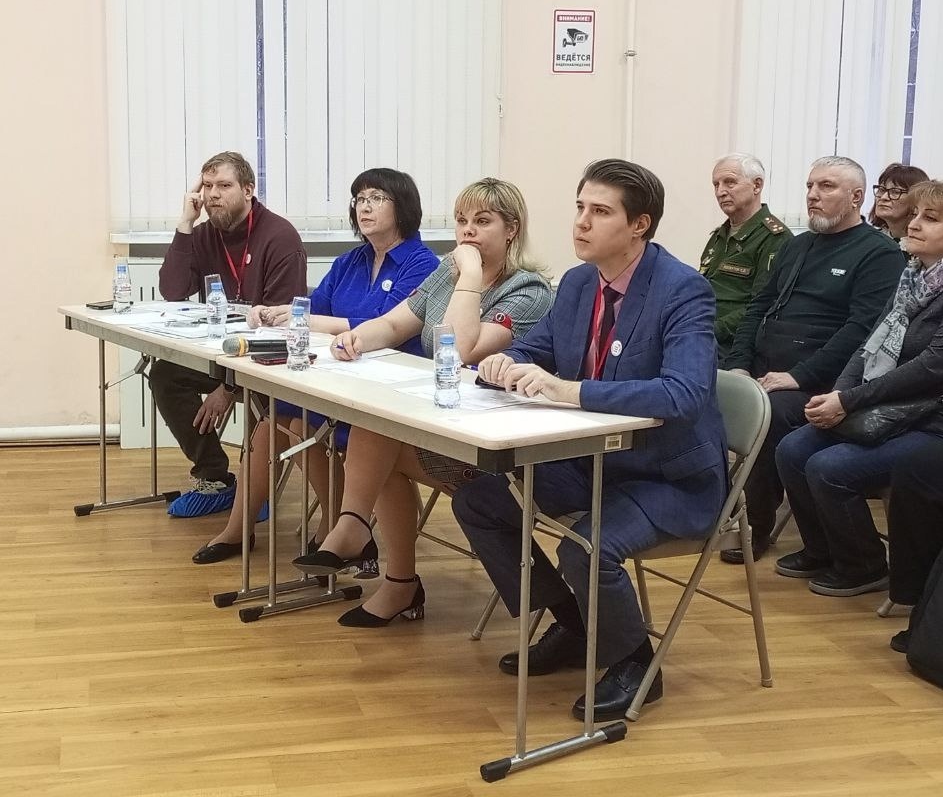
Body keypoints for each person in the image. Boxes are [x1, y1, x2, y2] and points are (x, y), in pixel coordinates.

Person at [445, 158, 726, 722]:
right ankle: (575, 624)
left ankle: (637, 664)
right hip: (593, 460)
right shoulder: (577, 283)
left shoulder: (683, 290)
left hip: (667, 476)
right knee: (479, 501)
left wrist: (571, 392)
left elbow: (684, 393)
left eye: (600, 211)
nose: (581, 222)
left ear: (639, 225)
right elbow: (541, 350)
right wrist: (507, 362)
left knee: (585, 547)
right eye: (580, 207)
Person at [291, 178, 554, 622]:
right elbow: (395, 324)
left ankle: (371, 549)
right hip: (444, 426)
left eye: (482, 221)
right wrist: (357, 338)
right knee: (378, 425)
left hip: (489, 451)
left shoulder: (529, 292)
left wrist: (469, 277)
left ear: (512, 229)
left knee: (381, 439)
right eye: (461, 220)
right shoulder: (445, 275)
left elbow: (460, 348)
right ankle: (383, 563)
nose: (467, 231)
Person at [191, 168, 439, 563]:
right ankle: (239, 529)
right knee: (274, 419)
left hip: (387, 394)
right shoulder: (350, 261)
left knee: (300, 421)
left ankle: (337, 526)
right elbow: (312, 309)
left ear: (403, 207)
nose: (364, 207)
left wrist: (303, 318)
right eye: (359, 199)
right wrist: (278, 313)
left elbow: (381, 325)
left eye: (376, 198)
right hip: (340, 376)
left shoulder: (422, 264)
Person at [772, 180, 943, 597]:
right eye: (915, 214)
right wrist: (838, 395)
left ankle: (863, 565)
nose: (913, 224)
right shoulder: (914, 276)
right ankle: (824, 550)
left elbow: (934, 365)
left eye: (930, 218)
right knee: (792, 449)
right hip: (889, 406)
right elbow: (871, 342)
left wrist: (849, 400)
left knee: (829, 468)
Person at [721, 156, 904, 562]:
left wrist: (799, 375)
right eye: (809, 186)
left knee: (768, 414)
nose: (813, 195)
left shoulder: (879, 253)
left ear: (856, 197)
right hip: (766, 368)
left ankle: (754, 528)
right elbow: (758, 306)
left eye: (826, 186)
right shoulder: (797, 245)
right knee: (706, 394)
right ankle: (706, 512)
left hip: (822, 382)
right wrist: (738, 364)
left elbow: (861, 332)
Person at [154, 151, 308, 518]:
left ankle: (255, 495)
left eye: (224, 186)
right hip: (225, 356)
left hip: (268, 363)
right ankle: (215, 478)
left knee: (261, 398)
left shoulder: (280, 237)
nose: (212, 195)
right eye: (207, 186)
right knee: (165, 374)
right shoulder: (204, 234)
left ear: (248, 190)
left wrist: (227, 389)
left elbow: (280, 331)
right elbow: (173, 290)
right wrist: (185, 224)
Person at [698, 153, 792, 362]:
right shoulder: (719, 235)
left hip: (732, 343)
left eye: (730, 182)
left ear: (757, 185)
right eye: (716, 185)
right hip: (701, 330)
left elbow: (763, 304)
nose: (720, 192)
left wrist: (711, 329)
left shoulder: (775, 238)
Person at [869, 162, 929, 245]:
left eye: (895, 192)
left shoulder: (927, 245)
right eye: (882, 190)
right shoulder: (870, 239)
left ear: (916, 199)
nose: (883, 197)